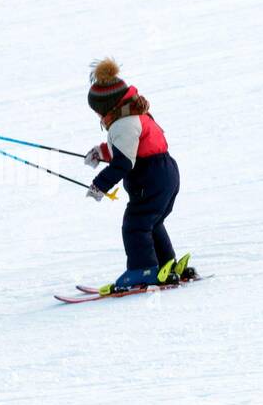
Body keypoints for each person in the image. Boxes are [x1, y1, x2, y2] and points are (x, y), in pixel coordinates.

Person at [83, 57, 194, 294]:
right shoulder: (134, 116)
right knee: (151, 222)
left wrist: (99, 186)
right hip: (165, 173)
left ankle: (142, 271)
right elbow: (132, 147)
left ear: (108, 107)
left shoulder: (124, 124)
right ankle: (166, 265)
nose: (98, 117)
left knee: (134, 225)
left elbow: (124, 163)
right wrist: (101, 152)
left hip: (150, 177)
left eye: (98, 112)